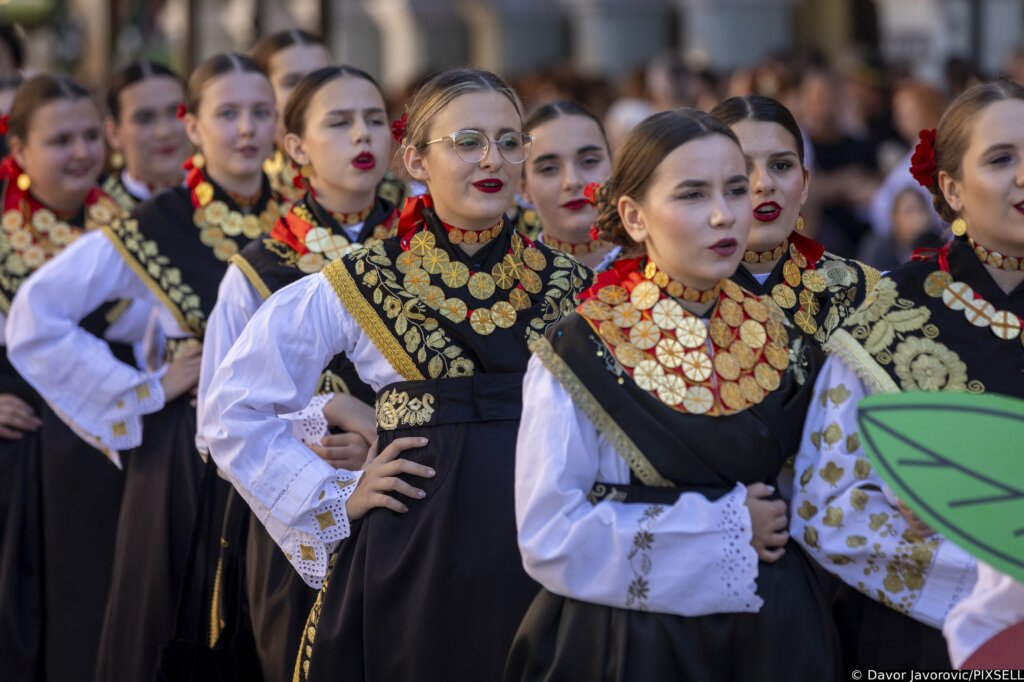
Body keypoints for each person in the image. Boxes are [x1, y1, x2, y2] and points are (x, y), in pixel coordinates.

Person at [204, 68, 592, 682]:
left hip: (546, 545)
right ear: (414, 159)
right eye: (467, 142)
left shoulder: (573, 284)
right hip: (417, 545)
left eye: (510, 141)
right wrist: (333, 497)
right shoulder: (361, 280)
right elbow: (231, 409)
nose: (493, 158)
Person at [504, 109, 839, 681]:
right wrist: (725, 528)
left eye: (735, 190)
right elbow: (550, 534)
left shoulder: (784, 337)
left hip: (774, 630)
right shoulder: (582, 349)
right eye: (691, 194)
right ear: (634, 216)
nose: (723, 214)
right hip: (632, 637)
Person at [6, 52, 280, 682]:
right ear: (194, 126)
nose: (245, 129)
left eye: (260, 112)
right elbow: (35, 316)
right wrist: (144, 388)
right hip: (189, 457)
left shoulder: (300, 219)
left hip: (291, 447)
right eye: (228, 113)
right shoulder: (156, 225)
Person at [790, 79, 1024, 671]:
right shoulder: (886, 314)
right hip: (927, 639)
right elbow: (829, 509)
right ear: (951, 188)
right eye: (1002, 159)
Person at [198, 64, 395, 681]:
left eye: (374, 120)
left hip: (407, 498)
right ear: (296, 148)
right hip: (297, 517)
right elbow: (216, 425)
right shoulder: (257, 270)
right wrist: (329, 417)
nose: (362, 137)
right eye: (339, 123)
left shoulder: (422, 257)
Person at [0, 73, 142, 682]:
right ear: (20, 152)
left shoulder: (134, 227)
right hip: (14, 450)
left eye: (90, 135)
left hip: (105, 449)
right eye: (61, 140)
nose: (82, 152)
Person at [711, 94, 879, 347]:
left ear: (805, 183)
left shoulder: (863, 292)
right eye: (741, 168)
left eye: (780, 165)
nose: (764, 183)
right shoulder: (671, 302)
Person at [519, 100, 618, 272]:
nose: (572, 181)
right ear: (524, 188)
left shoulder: (658, 262)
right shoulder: (512, 279)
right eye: (549, 168)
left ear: (614, 167)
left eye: (589, 161)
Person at [102, 61, 190, 212]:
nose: (164, 132)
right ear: (114, 132)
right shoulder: (98, 211)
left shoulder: (221, 199)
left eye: (176, 113)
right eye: (144, 119)